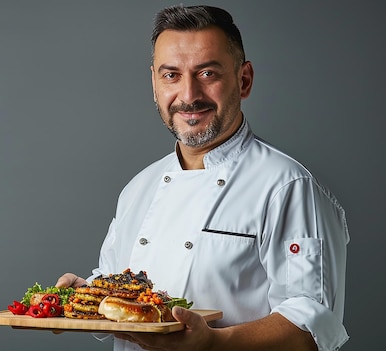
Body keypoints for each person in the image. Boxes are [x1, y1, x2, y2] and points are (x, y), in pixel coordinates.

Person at [55, 5, 349, 351]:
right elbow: (119, 292)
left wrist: (213, 343)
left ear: (244, 80)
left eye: (207, 74)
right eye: (171, 75)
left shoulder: (286, 186)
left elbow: (311, 324)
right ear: (154, 83)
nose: (189, 95)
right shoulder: (138, 189)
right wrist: (88, 293)